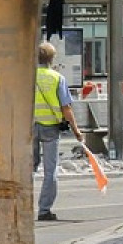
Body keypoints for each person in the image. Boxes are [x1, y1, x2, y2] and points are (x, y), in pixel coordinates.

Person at [33, 41, 83, 222]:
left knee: (27, 169)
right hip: (50, 129)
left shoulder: (27, 77)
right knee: (50, 170)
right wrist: (76, 130)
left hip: (29, 128)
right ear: (52, 59)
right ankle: (44, 210)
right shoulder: (57, 78)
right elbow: (66, 108)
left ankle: (21, 206)